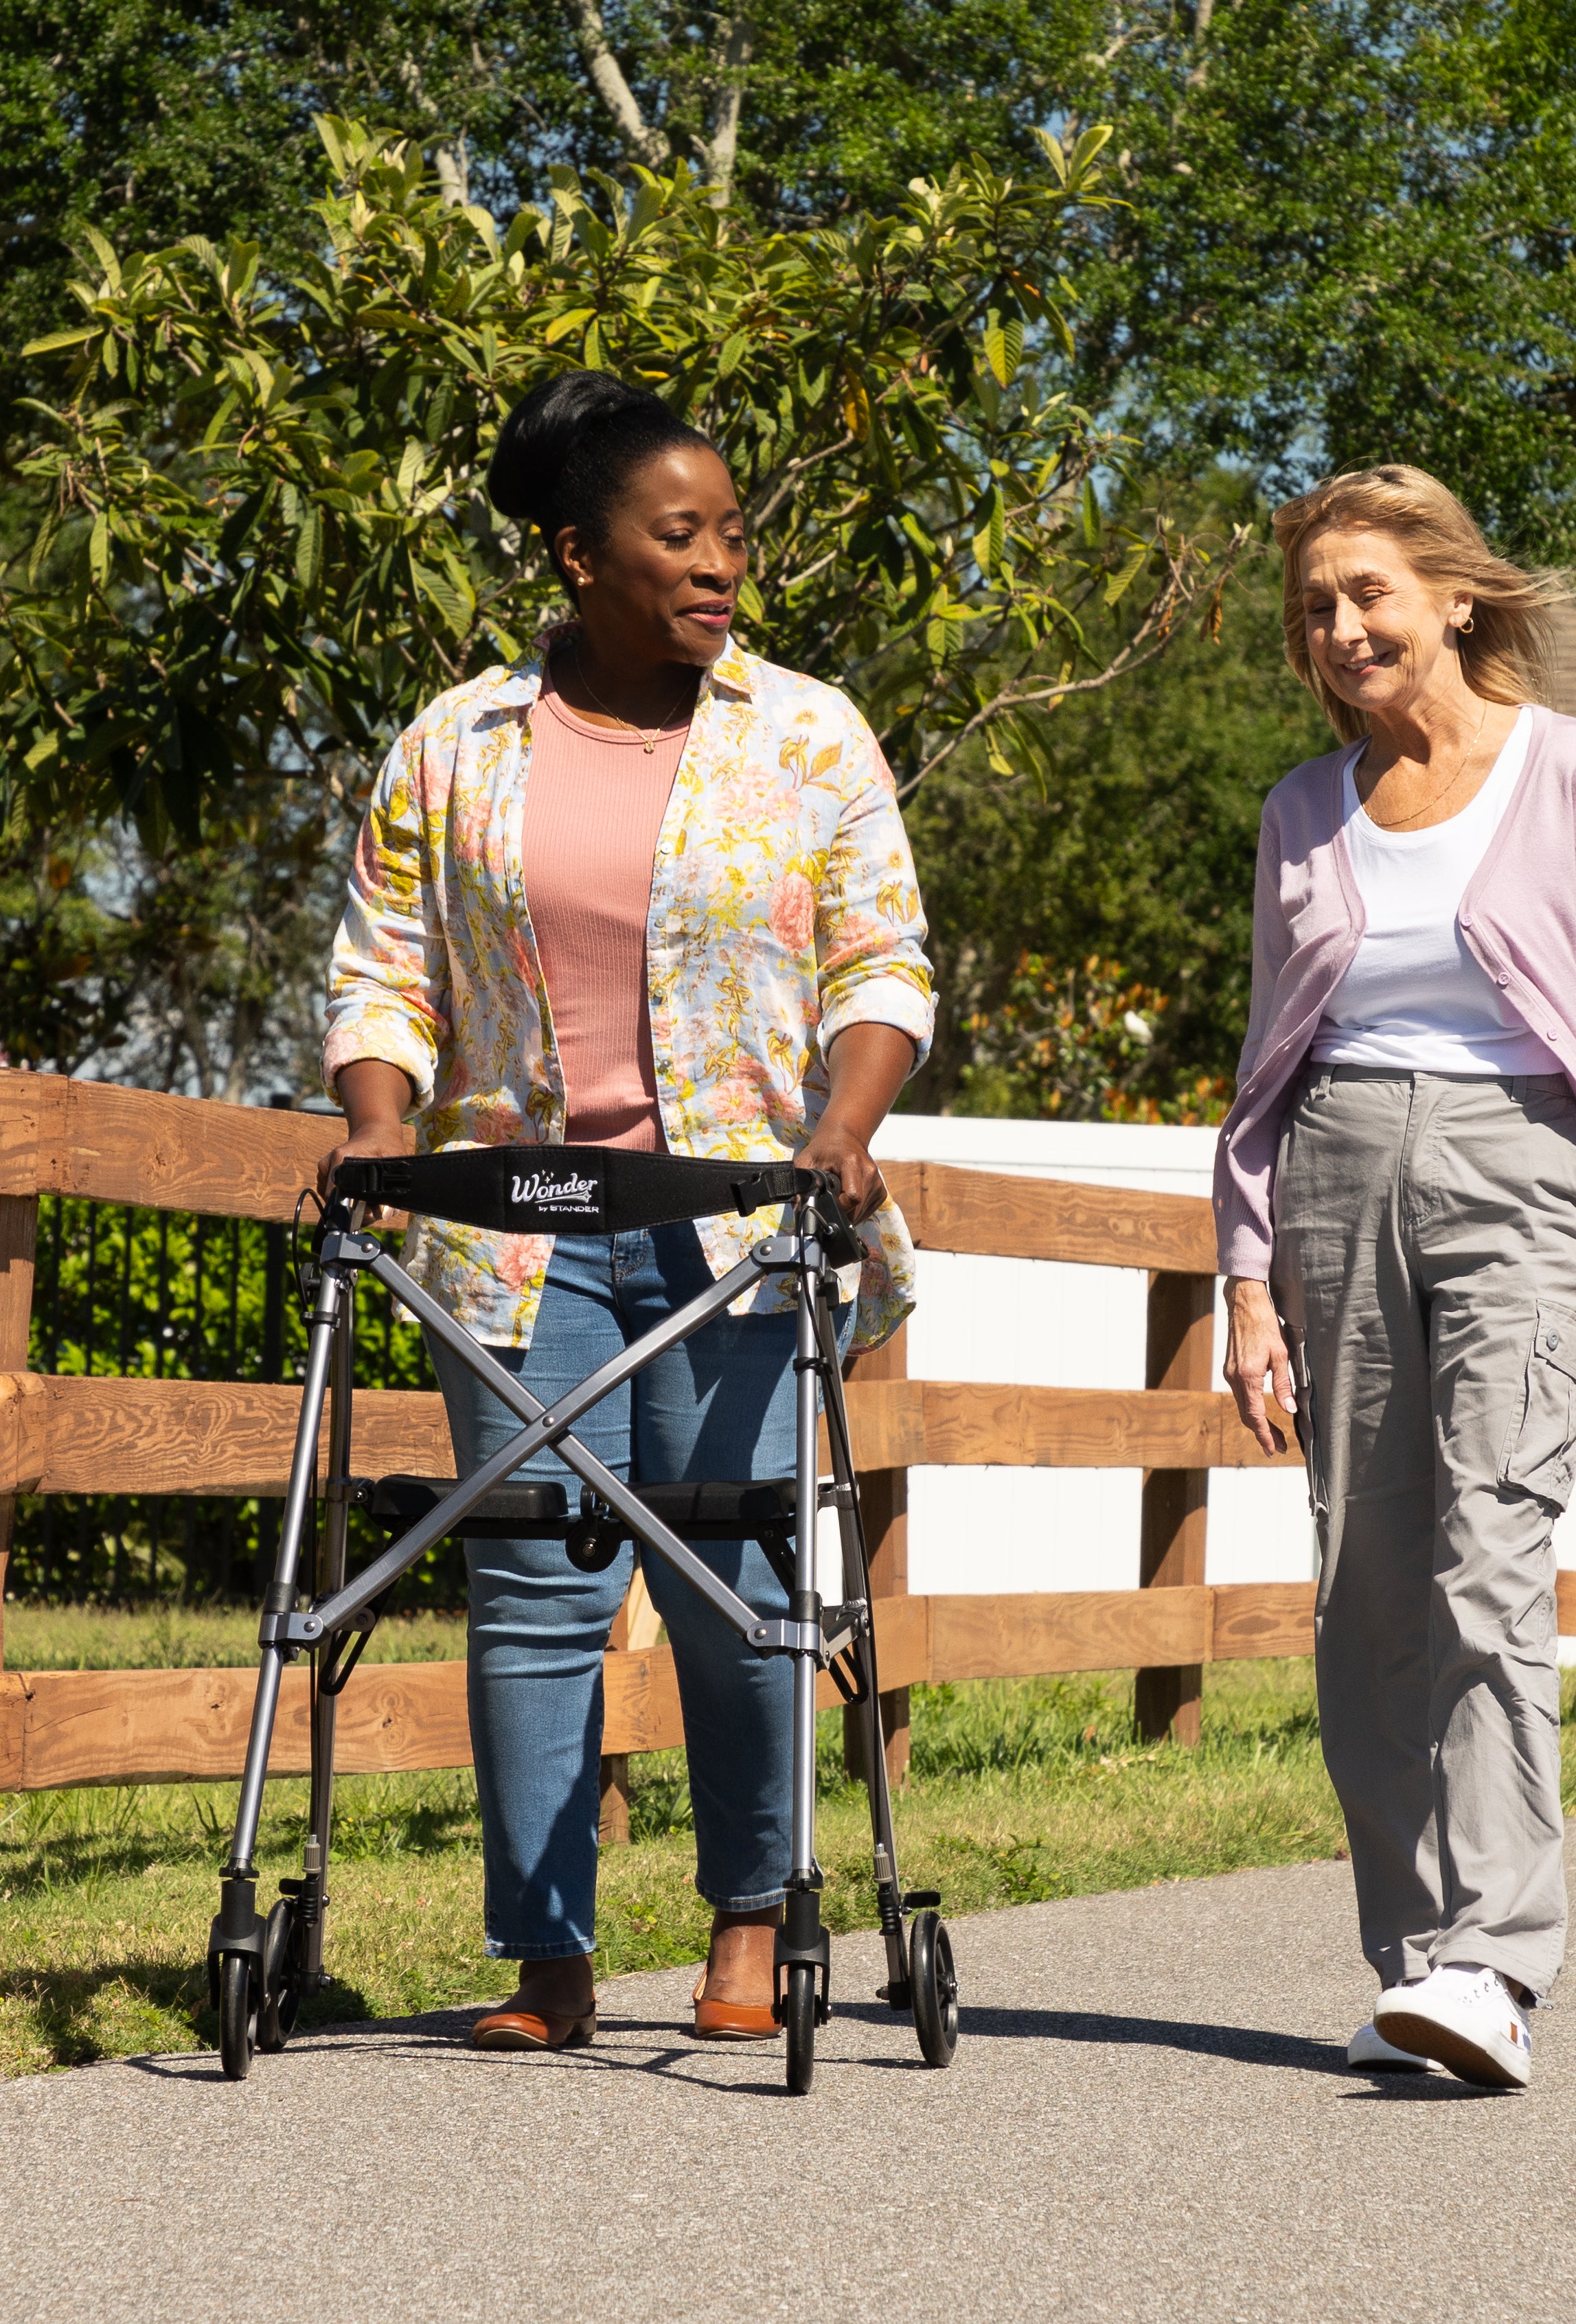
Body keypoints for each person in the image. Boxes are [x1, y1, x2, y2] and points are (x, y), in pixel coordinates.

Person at [321, 370, 934, 2052]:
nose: (724, 561)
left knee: (732, 1571)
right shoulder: (454, 745)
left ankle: (751, 1918)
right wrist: (381, 1131)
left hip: (739, 1220)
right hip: (515, 1230)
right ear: (579, 555)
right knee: (530, 1583)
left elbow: (882, 959)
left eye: (734, 531)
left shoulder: (806, 735)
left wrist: (844, 1124)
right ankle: (549, 1958)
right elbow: (384, 968)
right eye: (684, 534)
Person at [1213, 463, 1576, 2089]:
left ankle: (1497, 1961)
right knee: (1365, 1595)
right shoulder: (1302, 809)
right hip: (1337, 1173)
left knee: (1493, 1560)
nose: (1340, 630)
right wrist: (1248, 1278)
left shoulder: (1568, 772)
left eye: (1368, 598)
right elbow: (1267, 1063)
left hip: (1523, 1176)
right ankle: (1415, 1967)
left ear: (1455, 599)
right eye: (1316, 610)